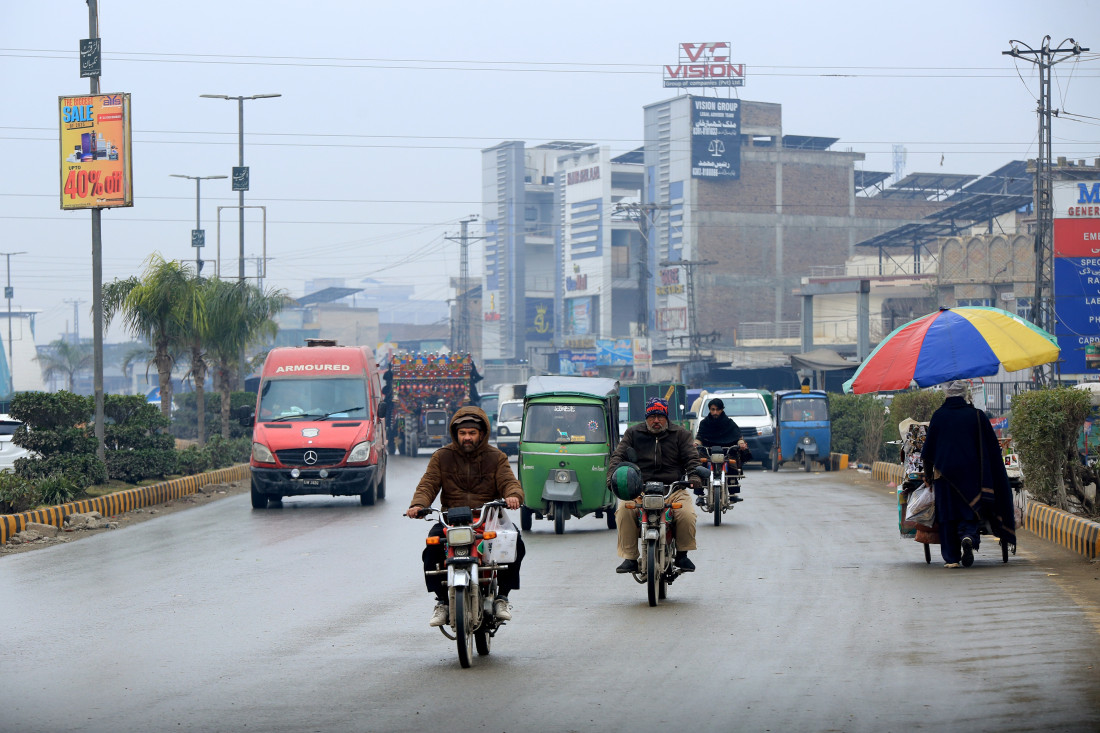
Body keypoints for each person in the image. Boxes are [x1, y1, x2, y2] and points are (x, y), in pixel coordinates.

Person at [407, 405, 525, 626]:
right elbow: (427, 485)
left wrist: (513, 496)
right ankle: (442, 601)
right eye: (463, 433)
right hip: (451, 520)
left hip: (487, 518)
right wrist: (418, 505)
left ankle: (502, 597)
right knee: (431, 551)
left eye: (472, 433)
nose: (467, 437)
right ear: (455, 434)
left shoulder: (497, 457)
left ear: (481, 434)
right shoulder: (441, 457)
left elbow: (510, 482)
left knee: (515, 542)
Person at [921, 380, 1016, 568]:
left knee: (947, 517)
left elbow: (928, 451)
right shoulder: (977, 416)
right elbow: (992, 449)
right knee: (970, 512)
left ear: (946, 393)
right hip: (973, 476)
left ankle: (952, 559)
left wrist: (928, 476)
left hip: (945, 477)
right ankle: (968, 537)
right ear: (965, 393)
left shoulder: (939, 416)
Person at [608, 397, 701, 573]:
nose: (656, 420)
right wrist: (612, 477)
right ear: (646, 417)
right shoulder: (632, 434)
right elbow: (617, 457)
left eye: (660, 416)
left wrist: (695, 475)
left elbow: (692, 459)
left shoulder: (681, 434)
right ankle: (630, 557)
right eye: (652, 416)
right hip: (639, 489)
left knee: (687, 514)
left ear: (666, 417)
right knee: (623, 511)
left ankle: (682, 554)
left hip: (673, 489)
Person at [694, 397, 750, 502]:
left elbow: (738, 437)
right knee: (698, 465)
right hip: (708, 451)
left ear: (722, 409)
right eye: (712, 409)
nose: (715, 412)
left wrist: (741, 444)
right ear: (709, 410)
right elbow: (700, 437)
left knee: (733, 463)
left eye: (717, 409)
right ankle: (700, 495)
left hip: (726, 451)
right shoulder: (704, 423)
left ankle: (732, 493)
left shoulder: (729, 423)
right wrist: (696, 444)